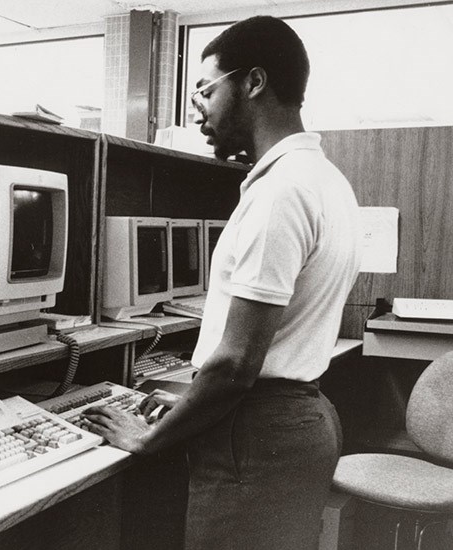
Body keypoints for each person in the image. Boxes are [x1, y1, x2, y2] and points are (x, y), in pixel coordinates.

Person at [82, 15, 362, 550]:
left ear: (253, 83)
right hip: (293, 420)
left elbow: (235, 365)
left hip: (255, 433)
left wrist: (150, 439)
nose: (198, 109)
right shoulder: (325, 179)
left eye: (206, 90)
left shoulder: (281, 192)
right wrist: (190, 405)